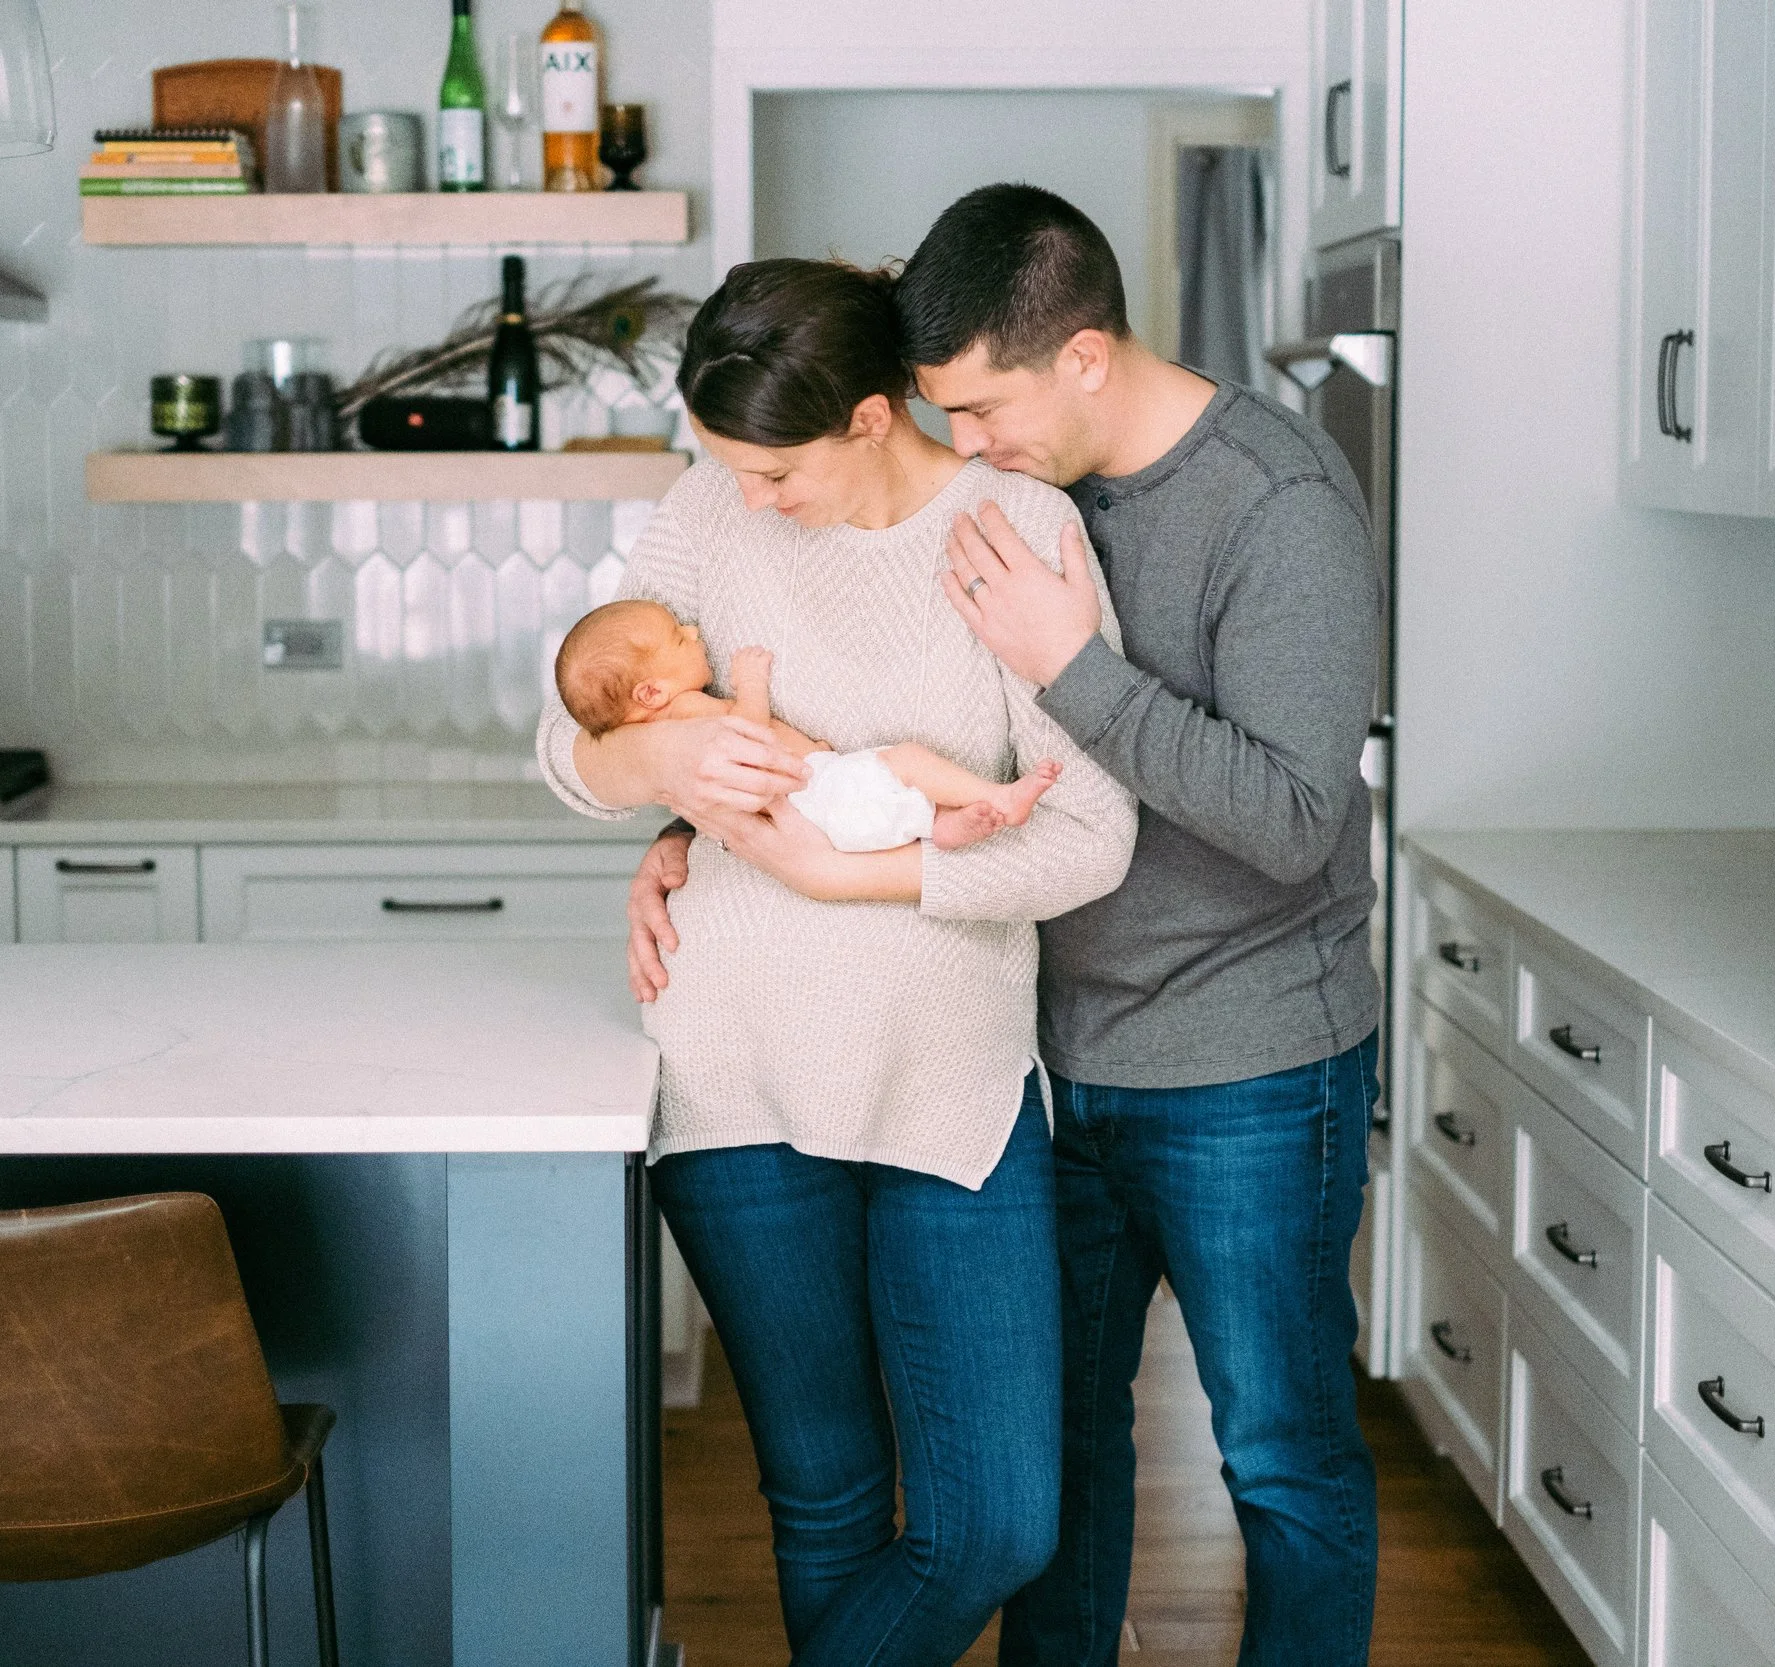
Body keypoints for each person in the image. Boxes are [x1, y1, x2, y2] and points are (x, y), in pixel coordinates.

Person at [623, 187, 1386, 1667]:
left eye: (981, 408)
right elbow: (852, 693)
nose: (962, 445)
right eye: (939, 411)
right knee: (1065, 1468)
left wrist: (1073, 667)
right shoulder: (1028, 483)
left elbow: (1296, 818)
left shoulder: (1278, 507)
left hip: (1241, 1062)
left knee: (1283, 1461)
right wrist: (684, 809)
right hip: (1045, 1056)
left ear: (1084, 356)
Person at [534, 256, 1138, 1666]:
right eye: (726, 466)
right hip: (733, 1069)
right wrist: (662, 758)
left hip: (954, 1079)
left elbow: (1094, 833)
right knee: (824, 1498)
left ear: (874, 415)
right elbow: (565, 743)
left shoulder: (1015, 527)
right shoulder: (704, 510)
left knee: (995, 1520)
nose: (748, 500)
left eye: (775, 472)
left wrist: (849, 870)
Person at [551, 598, 1065, 851]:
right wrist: (750, 682)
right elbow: (748, 738)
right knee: (907, 761)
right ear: (651, 693)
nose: (692, 628)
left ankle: (942, 828)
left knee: (892, 791)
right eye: (678, 638)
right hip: (813, 797)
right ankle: (994, 797)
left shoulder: (672, 715)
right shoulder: (683, 716)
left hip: (814, 801)